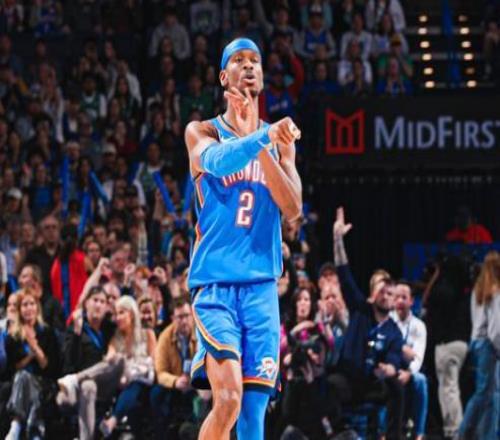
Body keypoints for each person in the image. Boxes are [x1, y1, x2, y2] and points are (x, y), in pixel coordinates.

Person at [184, 37, 302, 440]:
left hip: (262, 289)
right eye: (238, 60)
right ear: (223, 77)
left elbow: (293, 207)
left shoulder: (278, 139)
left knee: (253, 416)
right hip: (216, 286)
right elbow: (217, 163)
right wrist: (261, 139)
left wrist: (265, 142)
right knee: (229, 399)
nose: (249, 66)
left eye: (255, 60)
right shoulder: (201, 131)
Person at [330, 207, 406, 439]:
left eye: (390, 294)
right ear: (372, 295)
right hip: (348, 378)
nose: (386, 296)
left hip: (372, 382)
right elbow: (343, 272)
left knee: (396, 387)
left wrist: (390, 369)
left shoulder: (394, 331)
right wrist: (337, 239)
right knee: (331, 385)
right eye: (382, 291)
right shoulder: (360, 309)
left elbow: (394, 358)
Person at [58, 296, 155, 438]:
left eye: (121, 313)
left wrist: (131, 372)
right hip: (118, 385)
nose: (117, 318)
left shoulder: (148, 334)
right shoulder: (115, 338)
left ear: (132, 314)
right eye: (116, 314)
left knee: (134, 383)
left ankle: (75, 380)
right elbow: (109, 362)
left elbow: (153, 364)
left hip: (142, 383)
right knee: (117, 362)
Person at [58, 285, 115, 440]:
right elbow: (68, 365)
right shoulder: (76, 329)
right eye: (95, 300)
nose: (98, 305)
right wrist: (77, 334)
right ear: (86, 304)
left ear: (106, 307)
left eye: (102, 301)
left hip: (105, 382)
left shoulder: (110, 329)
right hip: (80, 385)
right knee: (86, 387)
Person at [5, 288, 60, 440]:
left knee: (28, 382)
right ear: (19, 309)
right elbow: (11, 368)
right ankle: (35, 433)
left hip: (44, 382)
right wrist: (30, 355)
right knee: (23, 377)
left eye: (32, 304)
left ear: (37, 307)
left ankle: (16, 425)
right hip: (19, 382)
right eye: (24, 305)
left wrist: (34, 346)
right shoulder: (13, 335)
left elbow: (48, 368)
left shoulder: (47, 332)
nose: (29, 308)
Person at [459, 251, 500, 440]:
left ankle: (487, 435)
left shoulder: (479, 289)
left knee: (488, 394)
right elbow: (495, 329)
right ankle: (464, 432)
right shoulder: (495, 291)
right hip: (489, 345)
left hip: (476, 342)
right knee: (484, 393)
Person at [150, 296, 197, 439]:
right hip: (175, 384)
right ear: (172, 318)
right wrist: (175, 381)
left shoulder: (201, 334)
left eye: (187, 316)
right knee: (156, 394)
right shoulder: (165, 337)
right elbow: (160, 372)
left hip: (196, 382)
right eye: (180, 317)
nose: (184, 321)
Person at [390, 281, 428, 440]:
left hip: (409, 371)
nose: (400, 301)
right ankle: (383, 432)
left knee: (421, 380)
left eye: (404, 297)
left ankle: (419, 433)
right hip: (390, 368)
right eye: (396, 297)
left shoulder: (419, 326)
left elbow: (418, 357)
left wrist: (409, 372)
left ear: (411, 301)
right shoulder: (387, 321)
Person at [50, 223, 90, 321]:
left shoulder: (56, 264)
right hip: (82, 312)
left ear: (60, 240)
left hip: (63, 315)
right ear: (77, 240)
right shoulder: (84, 260)